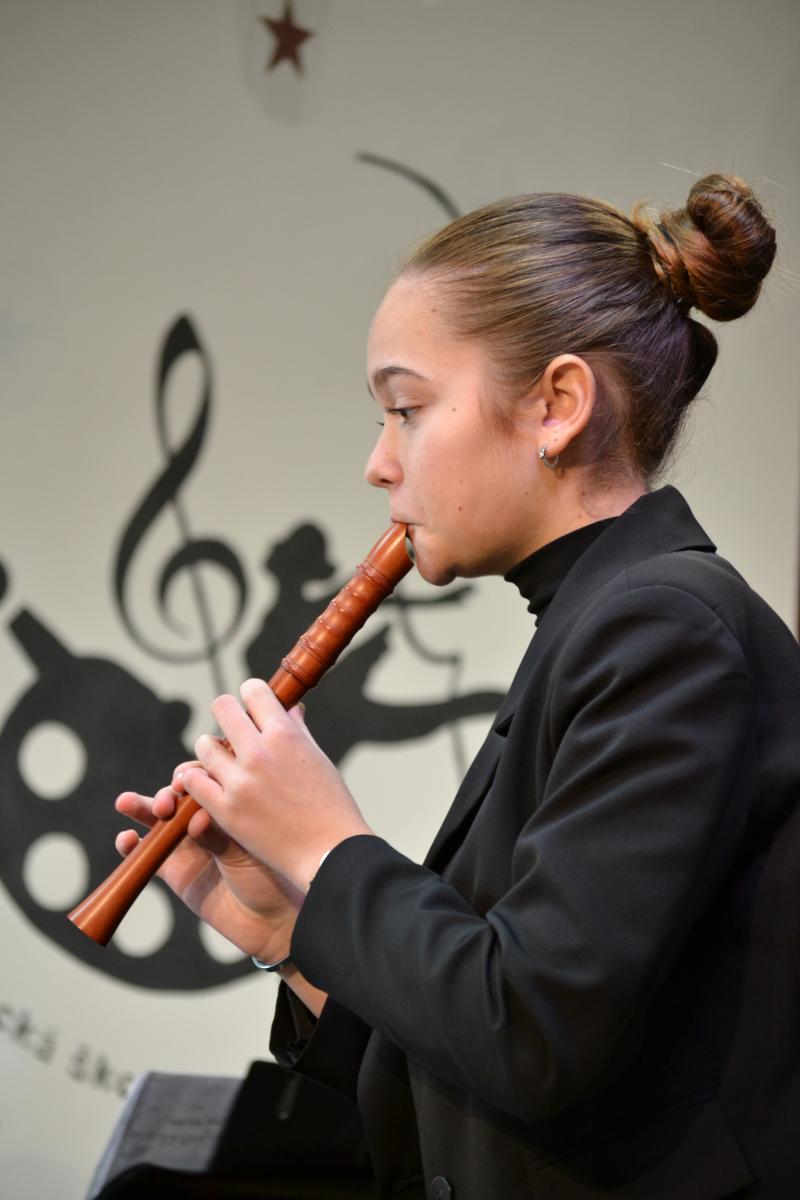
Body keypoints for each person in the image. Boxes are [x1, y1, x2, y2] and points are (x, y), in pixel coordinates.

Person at [117, 172, 800, 1199]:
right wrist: (293, 936)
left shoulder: (665, 627)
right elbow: (491, 1060)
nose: (378, 464)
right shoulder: (602, 623)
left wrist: (325, 846)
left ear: (557, 405)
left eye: (406, 409)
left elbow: (530, 1034)